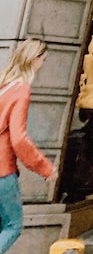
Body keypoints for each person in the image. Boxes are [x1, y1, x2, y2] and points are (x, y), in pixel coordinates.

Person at [0, 39, 53, 254]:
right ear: (34, 60)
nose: (43, 64)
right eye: (43, 60)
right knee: (13, 226)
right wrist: (45, 168)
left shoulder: (4, 87)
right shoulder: (21, 90)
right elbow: (19, 139)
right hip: (2, 170)